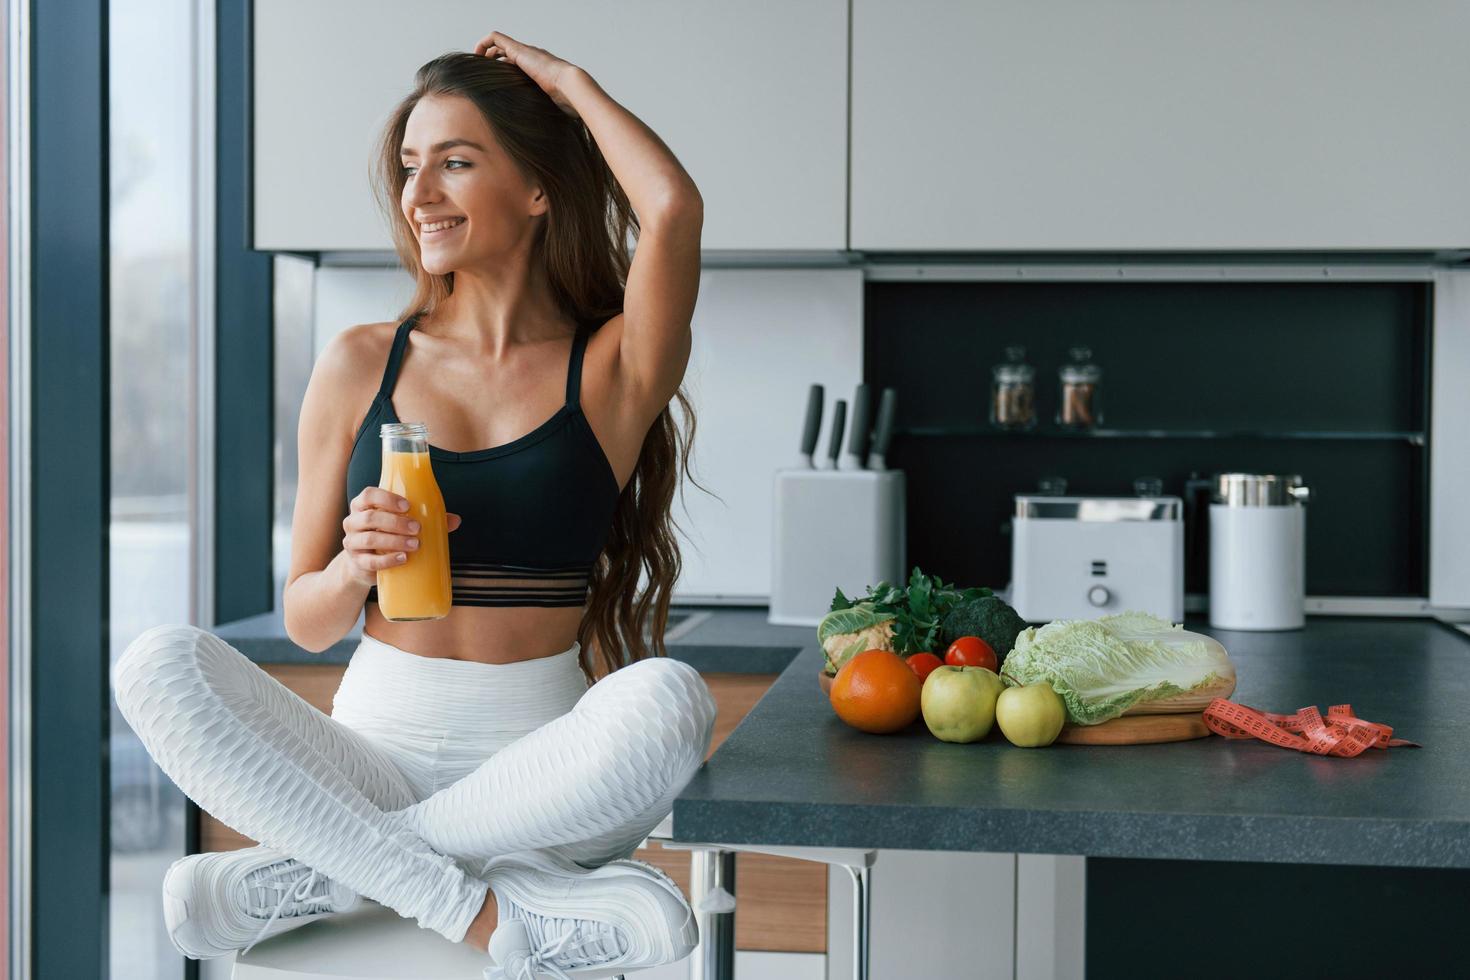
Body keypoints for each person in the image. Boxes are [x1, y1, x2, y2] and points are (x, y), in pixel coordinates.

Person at [112, 30, 716, 980]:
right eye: (409, 166)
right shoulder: (361, 361)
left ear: (538, 188)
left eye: (456, 162)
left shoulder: (605, 371)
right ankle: (472, 905)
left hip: (537, 767)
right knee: (155, 662)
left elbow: (673, 208)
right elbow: (309, 622)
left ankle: (332, 868)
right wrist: (352, 568)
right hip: (371, 748)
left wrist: (569, 84)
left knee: (670, 700)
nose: (418, 193)